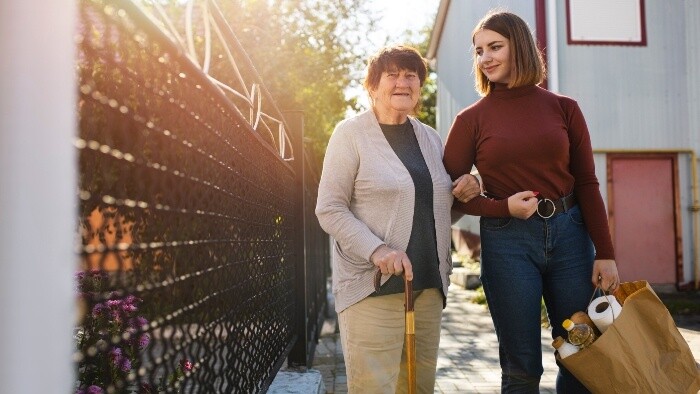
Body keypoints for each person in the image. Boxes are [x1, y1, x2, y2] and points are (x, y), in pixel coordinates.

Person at [443, 11, 620, 393]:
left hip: (572, 237)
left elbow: (588, 183)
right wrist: (500, 207)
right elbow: (448, 196)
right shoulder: (470, 119)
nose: (485, 58)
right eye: (478, 51)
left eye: (495, 47)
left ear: (519, 46)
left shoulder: (564, 108)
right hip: (508, 242)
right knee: (521, 365)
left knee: (580, 354)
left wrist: (605, 252)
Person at [315, 45, 480, 393]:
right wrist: (377, 251)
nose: (403, 82)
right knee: (375, 388)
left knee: (419, 388)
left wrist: (469, 188)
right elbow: (329, 208)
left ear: (420, 86)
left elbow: (436, 208)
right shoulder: (351, 134)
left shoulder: (430, 137)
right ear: (372, 86)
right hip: (372, 288)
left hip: (428, 289)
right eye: (392, 74)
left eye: (411, 75)